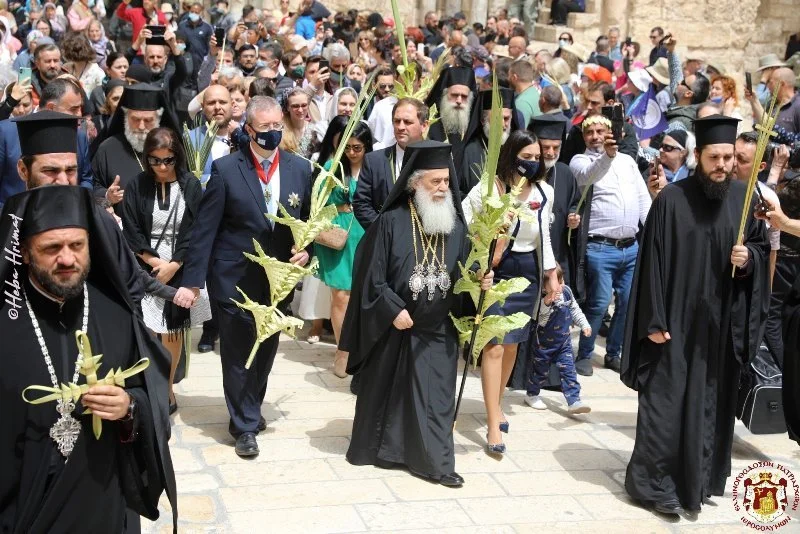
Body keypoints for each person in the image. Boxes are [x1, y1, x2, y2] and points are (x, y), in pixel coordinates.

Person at [621, 115, 770, 515]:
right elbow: (650, 262)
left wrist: (749, 259)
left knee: (709, 406)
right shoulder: (672, 199)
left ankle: (699, 481)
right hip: (673, 324)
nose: (722, 165)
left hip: (718, 329)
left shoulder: (744, 199)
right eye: (714, 158)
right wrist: (652, 321)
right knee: (665, 406)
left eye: (728, 157)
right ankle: (655, 486)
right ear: (697, 157)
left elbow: (760, 251)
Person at [342, 140, 492, 487]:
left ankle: (437, 463)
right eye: (434, 182)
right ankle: (387, 453)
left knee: (436, 399)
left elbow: (464, 273)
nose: (443, 188)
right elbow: (369, 276)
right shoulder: (391, 222)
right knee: (389, 397)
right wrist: (391, 309)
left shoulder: (455, 225)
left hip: (437, 327)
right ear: (414, 183)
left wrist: (480, 280)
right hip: (394, 326)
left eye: (446, 181)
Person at [180, 96, 312, 458]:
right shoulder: (226, 169)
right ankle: (243, 426)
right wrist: (193, 281)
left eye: (276, 127)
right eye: (264, 128)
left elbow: (310, 225)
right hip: (233, 276)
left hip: (277, 279)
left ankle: (250, 406)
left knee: (265, 350)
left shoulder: (301, 169)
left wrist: (307, 250)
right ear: (248, 130)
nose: (272, 133)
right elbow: (205, 229)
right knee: (238, 353)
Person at [462, 130, 558, 454]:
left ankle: (497, 402)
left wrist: (552, 275)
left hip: (528, 269)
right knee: (494, 346)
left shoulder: (544, 191)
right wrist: (482, 251)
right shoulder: (489, 189)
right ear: (511, 155)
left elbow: (543, 233)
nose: (531, 163)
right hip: (496, 269)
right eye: (525, 157)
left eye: (536, 158)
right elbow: (466, 221)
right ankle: (492, 424)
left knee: (513, 344)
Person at [122, 127, 209, 416]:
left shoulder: (190, 185)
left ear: (177, 158)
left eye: (168, 160)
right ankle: (149, 385)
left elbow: (196, 229)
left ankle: (168, 389)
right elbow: (130, 224)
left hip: (180, 265)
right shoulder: (137, 184)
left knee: (172, 333)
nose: (161, 166)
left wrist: (175, 264)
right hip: (145, 265)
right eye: (155, 160)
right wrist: (152, 260)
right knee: (147, 329)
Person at [570, 114, 651, 376]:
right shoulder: (580, 160)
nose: (595, 136)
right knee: (600, 302)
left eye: (600, 131)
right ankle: (584, 353)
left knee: (627, 302)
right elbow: (588, 176)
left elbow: (641, 199)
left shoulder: (628, 162)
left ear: (610, 133)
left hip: (630, 248)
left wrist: (651, 232)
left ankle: (614, 353)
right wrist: (607, 155)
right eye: (589, 132)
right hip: (599, 247)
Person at [315, 118, 372, 377]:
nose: (351, 152)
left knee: (364, 295)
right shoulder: (332, 167)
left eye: (357, 147)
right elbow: (317, 203)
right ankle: (343, 349)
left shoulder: (377, 166)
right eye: (346, 147)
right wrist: (341, 207)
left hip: (368, 234)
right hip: (339, 234)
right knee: (341, 296)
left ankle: (363, 349)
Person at [92, 83, 174, 212]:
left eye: (148, 120)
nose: (141, 127)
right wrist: (107, 196)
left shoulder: (172, 148)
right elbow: (93, 187)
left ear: (158, 119)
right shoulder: (107, 149)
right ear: (125, 117)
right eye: (135, 119)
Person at [353, 97, 429, 229]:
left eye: (407, 122)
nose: (400, 127)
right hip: (385, 238)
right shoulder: (374, 161)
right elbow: (361, 203)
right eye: (396, 121)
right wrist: (385, 230)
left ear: (424, 126)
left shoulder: (435, 158)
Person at [524, 264, 591, 413]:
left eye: (560, 282)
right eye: (554, 284)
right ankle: (531, 394)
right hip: (543, 345)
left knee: (569, 371)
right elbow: (541, 321)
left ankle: (574, 401)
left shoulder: (566, 292)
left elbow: (575, 309)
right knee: (539, 373)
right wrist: (548, 303)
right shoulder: (541, 301)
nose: (559, 287)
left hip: (563, 343)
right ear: (543, 287)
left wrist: (584, 325)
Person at [460, 88, 516, 192]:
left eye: (506, 118)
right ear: (483, 120)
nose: (503, 124)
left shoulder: (516, 149)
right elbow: (459, 191)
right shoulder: (469, 152)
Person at [508, 59, 541, 129]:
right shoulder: (535, 91)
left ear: (514, 77)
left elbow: (520, 134)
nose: (508, 78)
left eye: (509, 75)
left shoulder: (521, 102)